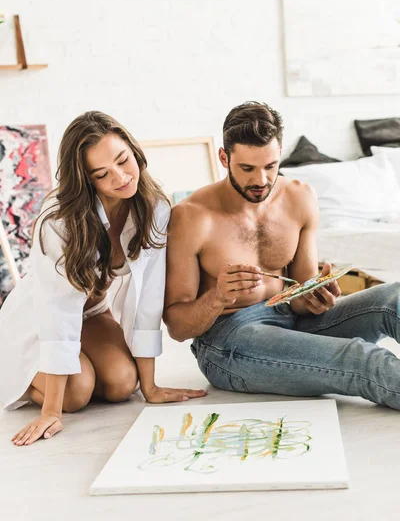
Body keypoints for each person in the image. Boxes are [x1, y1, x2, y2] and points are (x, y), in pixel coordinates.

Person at [164, 101, 400, 410]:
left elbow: (301, 298)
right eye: (247, 168)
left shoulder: (300, 196)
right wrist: (218, 296)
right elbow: (178, 327)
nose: (260, 180)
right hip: (229, 340)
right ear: (224, 158)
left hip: (291, 320)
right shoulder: (191, 217)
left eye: (270, 166)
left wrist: (317, 296)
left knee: (394, 298)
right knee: (364, 360)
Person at [0, 111, 206, 447]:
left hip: (93, 314)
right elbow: (58, 313)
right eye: (102, 174)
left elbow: (148, 296)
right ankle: (13, 371)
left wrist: (150, 388)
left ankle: (85, 371)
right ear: (86, 180)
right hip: (38, 318)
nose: (121, 177)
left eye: (123, 160)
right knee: (77, 392)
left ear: (133, 150)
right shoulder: (59, 221)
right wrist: (52, 411)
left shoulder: (154, 208)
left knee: (124, 383)